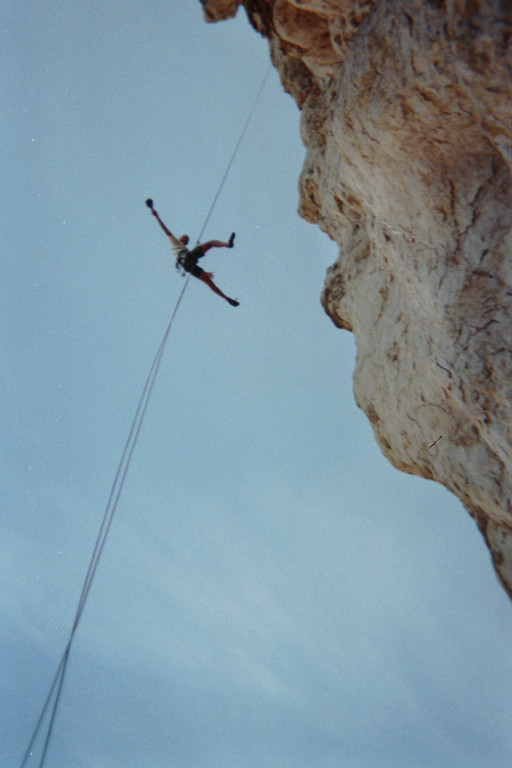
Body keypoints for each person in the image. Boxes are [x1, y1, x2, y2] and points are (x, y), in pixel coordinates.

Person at [146, 199, 239, 307]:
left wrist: (204, 273)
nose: (186, 239)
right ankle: (227, 244)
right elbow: (166, 230)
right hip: (187, 260)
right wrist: (157, 216)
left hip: (188, 265)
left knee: (209, 282)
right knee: (211, 243)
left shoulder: (182, 250)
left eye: (187, 240)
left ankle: (227, 299)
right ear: (179, 238)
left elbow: (188, 263)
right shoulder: (174, 241)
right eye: (184, 238)